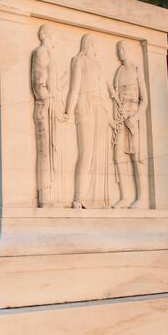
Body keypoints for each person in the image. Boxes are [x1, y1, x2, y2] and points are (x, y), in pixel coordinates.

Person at [62, 34, 110, 209]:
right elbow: (74, 87)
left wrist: (110, 117)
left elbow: (102, 92)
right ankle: (78, 198)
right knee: (86, 153)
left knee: (98, 153)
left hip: (99, 110)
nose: (98, 48)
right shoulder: (79, 60)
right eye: (97, 44)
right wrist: (68, 110)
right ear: (90, 44)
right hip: (85, 109)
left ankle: (95, 198)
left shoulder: (97, 64)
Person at [108, 41, 148, 208]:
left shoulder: (136, 70)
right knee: (118, 157)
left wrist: (136, 116)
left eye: (122, 49)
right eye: (118, 50)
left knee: (135, 158)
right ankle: (124, 196)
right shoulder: (119, 71)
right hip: (120, 117)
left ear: (129, 50)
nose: (120, 53)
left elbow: (144, 100)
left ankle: (141, 198)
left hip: (132, 117)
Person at [31, 24, 60, 207]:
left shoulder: (49, 54)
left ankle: (52, 194)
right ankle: (45, 197)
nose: (56, 39)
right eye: (53, 35)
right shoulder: (41, 52)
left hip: (52, 106)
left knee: (52, 151)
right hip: (44, 108)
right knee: (44, 153)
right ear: (47, 35)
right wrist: (48, 100)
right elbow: (38, 82)